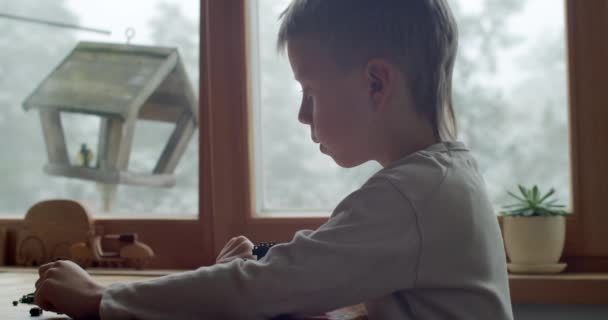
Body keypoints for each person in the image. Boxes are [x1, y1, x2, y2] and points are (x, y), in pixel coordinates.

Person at [33, 0, 514, 319]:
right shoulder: (444, 181)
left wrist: (101, 298)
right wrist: (266, 284)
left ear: (375, 83)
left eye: (309, 91)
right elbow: (296, 284)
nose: (303, 115)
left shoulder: (414, 195)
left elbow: (266, 286)